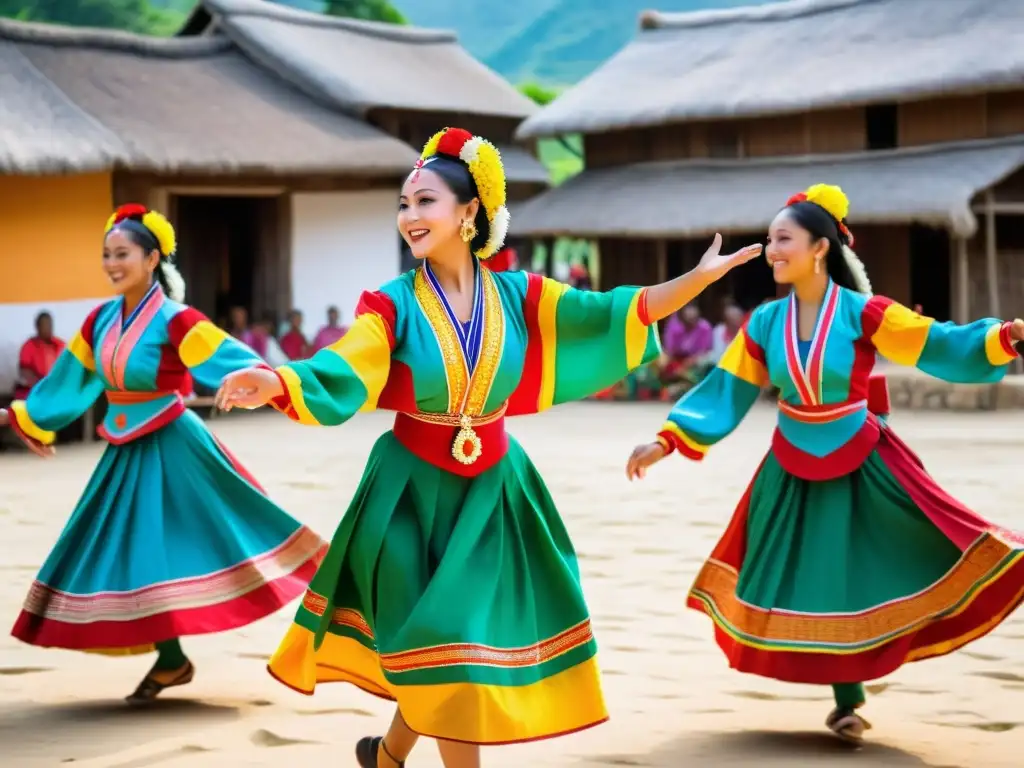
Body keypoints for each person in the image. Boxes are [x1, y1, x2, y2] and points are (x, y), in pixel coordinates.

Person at [215, 127, 761, 768]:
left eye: (425, 203)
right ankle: (392, 755)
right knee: (446, 644)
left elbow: (618, 311)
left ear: (469, 213)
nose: (409, 217)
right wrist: (280, 379)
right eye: (403, 204)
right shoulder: (389, 306)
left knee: (460, 646)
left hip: (492, 494)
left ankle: (389, 755)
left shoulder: (521, 295)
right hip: (409, 495)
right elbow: (349, 361)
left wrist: (694, 281)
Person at [626, 184, 1024, 744]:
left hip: (862, 459)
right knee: (807, 576)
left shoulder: (865, 314)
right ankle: (847, 699)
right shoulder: (765, 323)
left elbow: (932, 343)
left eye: (783, 239)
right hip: (791, 464)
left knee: (859, 571)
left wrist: (1001, 338)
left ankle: (848, 699)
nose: (771, 250)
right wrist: (667, 441)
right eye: (769, 240)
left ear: (819, 248)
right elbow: (728, 389)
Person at [0, 204, 326, 704]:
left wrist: (271, 383)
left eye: (122, 253)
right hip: (126, 450)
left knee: (215, 534)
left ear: (152, 258)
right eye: (106, 254)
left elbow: (232, 359)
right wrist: (26, 414)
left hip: (174, 442)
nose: (111, 263)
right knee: (133, 551)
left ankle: (329, 604)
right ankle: (172, 660)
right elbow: (71, 380)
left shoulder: (177, 320)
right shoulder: (99, 321)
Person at [14, 311, 65, 400]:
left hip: (56, 389)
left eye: (50, 325)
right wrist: (43, 387)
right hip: (35, 391)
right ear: (37, 327)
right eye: (45, 325)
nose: (48, 328)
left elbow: (67, 366)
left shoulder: (60, 344)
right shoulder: (29, 346)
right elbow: (25, 372)